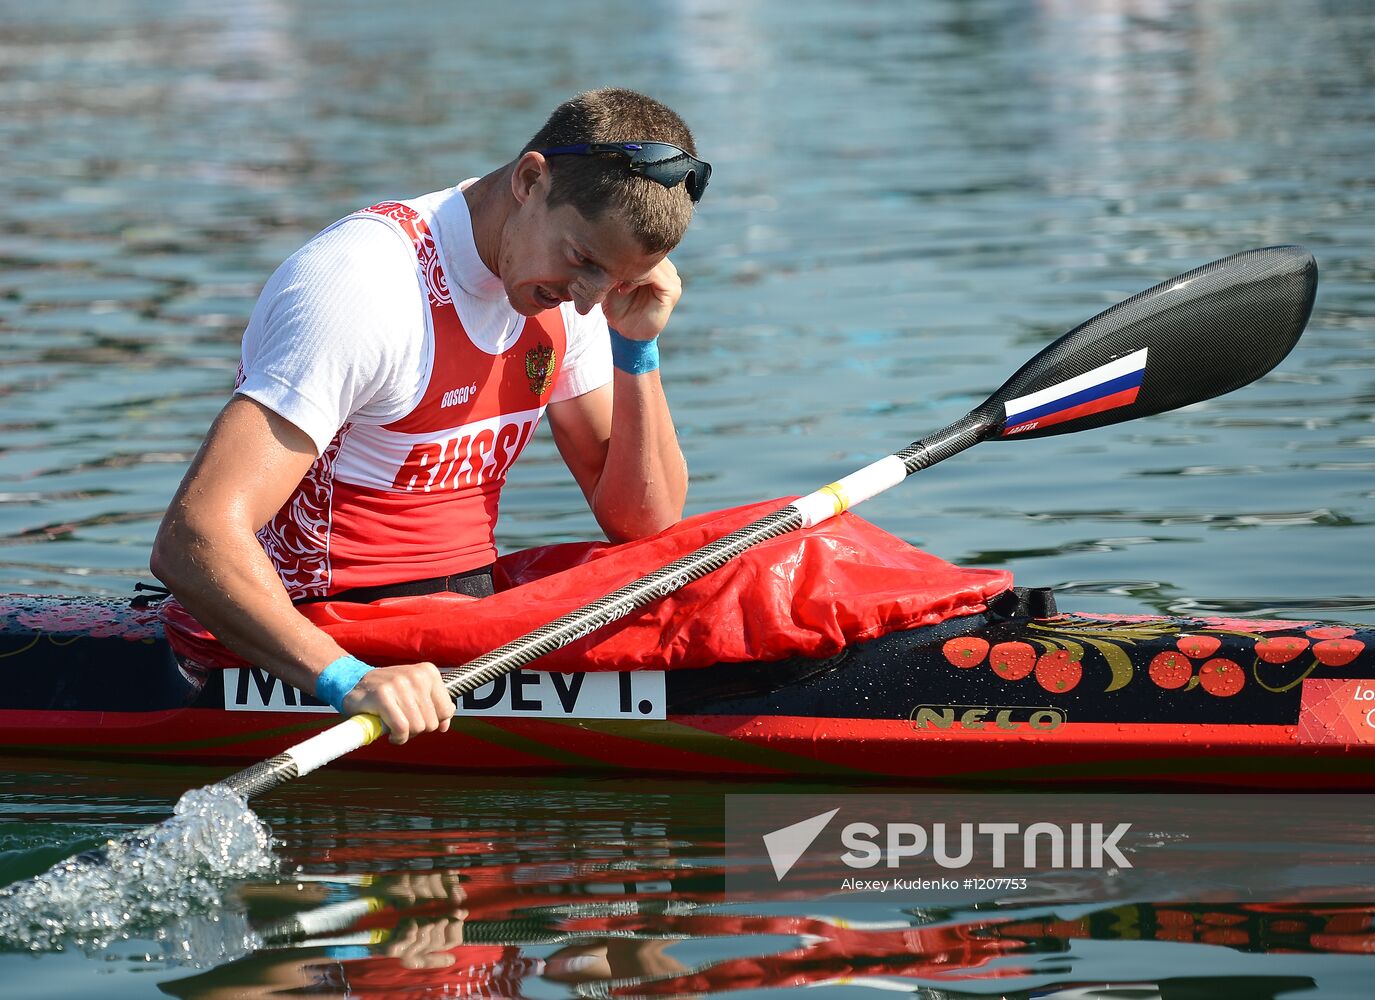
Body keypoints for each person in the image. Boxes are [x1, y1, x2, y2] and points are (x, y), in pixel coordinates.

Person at [151, 89, 708, 745]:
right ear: (531, 180)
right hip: (331, 631)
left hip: (455, 626)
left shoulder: (566, 288)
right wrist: (348, 680)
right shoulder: (363, 286)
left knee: (727, 566)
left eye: (613, 282)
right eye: (583, 263)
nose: (587, 301)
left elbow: (643, 524)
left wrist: (636, 347)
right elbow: (193, 537)